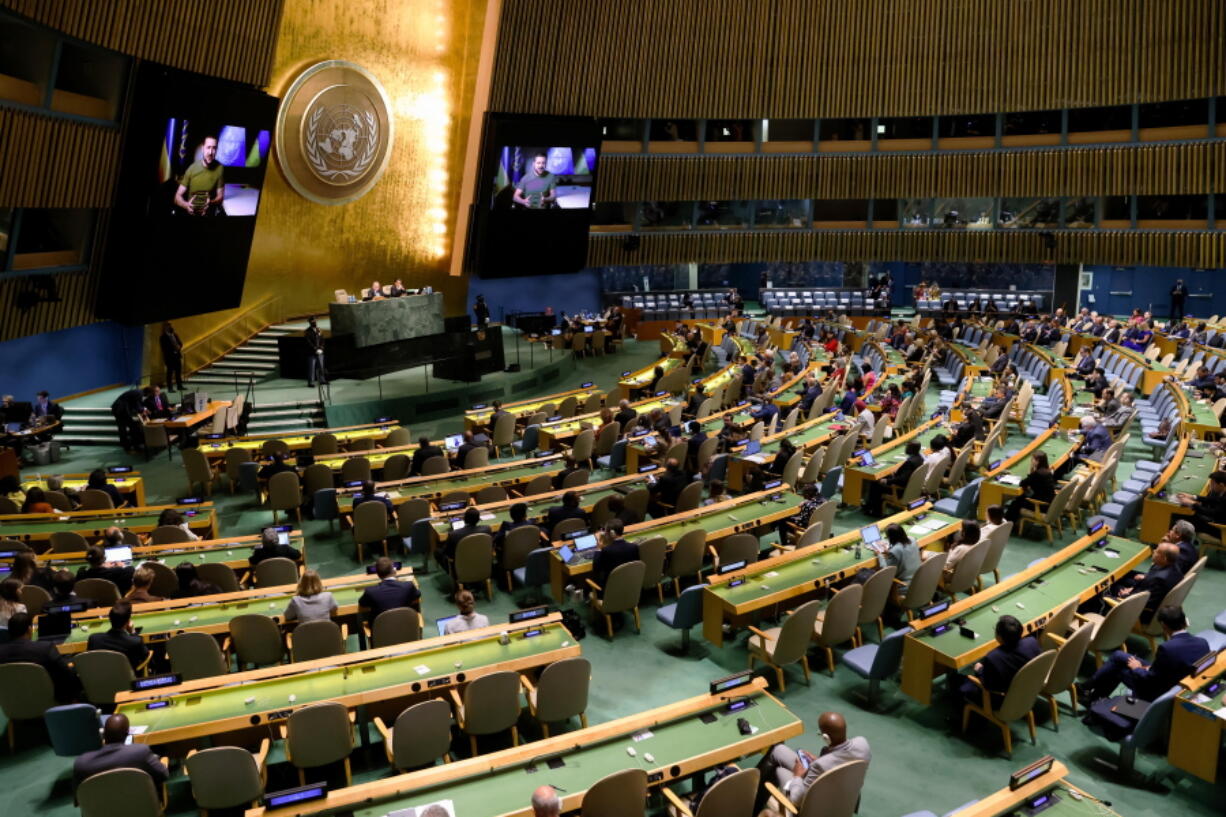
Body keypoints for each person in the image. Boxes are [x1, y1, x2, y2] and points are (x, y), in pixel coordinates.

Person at [1080, 606, 1209, 703]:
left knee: (1118, 669)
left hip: (1157, 691)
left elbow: (1150, 679)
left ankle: (1092, 696)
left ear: (1163, 625)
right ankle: (1089, 689)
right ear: (1184, 622)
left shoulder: (1167, 648)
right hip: (1172, 680)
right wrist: (1149, 669)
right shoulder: (1202, 642)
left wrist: (1136, 668)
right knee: (1119, 655)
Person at [755, 712, 871, 810]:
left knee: (778, 770)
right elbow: (840, 761)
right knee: (778, 750)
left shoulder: (820, 765)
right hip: (840, 791)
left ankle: (752, 803)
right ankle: (753, 797)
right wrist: (820, 759)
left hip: (818, 804)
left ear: (826, 737)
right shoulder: (863, 744)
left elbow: (797, 800)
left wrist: (797, 777)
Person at [73, 713, 168, 791]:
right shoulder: (140, 752)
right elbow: (163, 775)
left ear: (103, 734)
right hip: (140, 807)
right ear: (127, 734)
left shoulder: (81, 763)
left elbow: (79, 799)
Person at [0, 613, 80, 702]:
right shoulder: (46, 648)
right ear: (29, 629)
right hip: (49, 703)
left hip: (13, 705)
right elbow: (67, 674)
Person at [959, 615, 1040, 702]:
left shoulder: (993, 658)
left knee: (958, 681)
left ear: (999, 637)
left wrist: (979, 670)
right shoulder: (1032, 642)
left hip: (1004, 700)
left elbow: (988, 685)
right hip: (1029, 689)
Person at [1111, 542, 1183, 625]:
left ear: (1165, 558)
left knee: (1109, 588)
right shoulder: (1174, 567)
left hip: (1141, 612)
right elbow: (1148, 587)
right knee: (1121, 580)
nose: (1154, 551)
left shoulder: (1160, 579)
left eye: (1157, 551)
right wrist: (1132, 589)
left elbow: (1146, 602)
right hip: (1141, 593)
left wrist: (1126, 596)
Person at [863, 442, 922, 517]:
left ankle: (876, 511)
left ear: (911, 449)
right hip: (910, 486)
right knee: (885, 477)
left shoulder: (909, 462)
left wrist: (887, 481)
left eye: (907, 447)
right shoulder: (920, 458)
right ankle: (869, 505)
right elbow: (905, 475)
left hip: (899, 490)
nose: (906, 448)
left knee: (875, 484)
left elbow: (901, 479)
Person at [86, 600, 149, 671]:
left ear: (110, 619)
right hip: (125, 680)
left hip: (98, 679)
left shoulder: (94, 639)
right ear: (128, 622)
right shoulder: (135, 641)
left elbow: (89, 661)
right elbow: (146, 655)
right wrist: (133, 632)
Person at [174, 134, 225, 216]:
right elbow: (177, 197)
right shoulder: (192, 168)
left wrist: (211, 203)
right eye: (208, 147)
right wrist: (186, 205)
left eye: (214, 148)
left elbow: (220, 197)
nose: (211, 152)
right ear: (202, 149)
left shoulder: (220, 168)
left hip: (208, 215)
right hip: (191, 214)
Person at [1005, 451, 1055, 523]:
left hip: (1042, 505)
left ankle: (1008, 523)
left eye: (1033, 459)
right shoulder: (1047, 471)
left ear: (1038, 461)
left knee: (1016, 502)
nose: (1031, 461)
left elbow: (1023, 483)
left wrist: (1031, 470)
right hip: (1049, 502)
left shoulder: (1037, 473)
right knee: (1021, 497)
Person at [1174, 470, 1226, 538]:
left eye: (1213, 484)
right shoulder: (1223, 492)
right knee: (1191, 516)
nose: (1211, 486)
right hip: (1217, 522)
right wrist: (1192, 497)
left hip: (1220, 530)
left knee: (1182, 520)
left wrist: (1193, 504)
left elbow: (1213, 513)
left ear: (1221, 485)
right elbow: (1213, 500)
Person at [439, 507, 492, 574]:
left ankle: (453, 575)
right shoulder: (487, 529)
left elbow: (446, 552)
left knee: (438, 552)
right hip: (481, 562)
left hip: (461, 568)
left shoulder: (453, 534)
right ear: (478, 519)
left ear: (464, 519)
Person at [591, 519, 639, 592]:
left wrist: (598, 549)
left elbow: (596, 568)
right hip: (630, 586)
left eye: (606, 531)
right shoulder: (634, 547)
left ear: (612, 533)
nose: (605, 533)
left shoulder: (606, 551)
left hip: (611, 589)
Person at [874, 523, 920, 590]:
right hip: (919, 580)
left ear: (891, 538)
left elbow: (886, 571)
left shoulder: (895, 550)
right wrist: (889, 552)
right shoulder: (913, 540)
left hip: (904, 586)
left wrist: (879, 554)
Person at [159, 322, 184, 391]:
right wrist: (173, 349)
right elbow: (164, 348)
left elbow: (180, 343)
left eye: (170, 326)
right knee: (170, 373)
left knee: (178, 372)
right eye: (168, 326)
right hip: (169, 357)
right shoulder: (163, 337)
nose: (170, 328)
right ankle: (170, 388)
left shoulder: (175, 335)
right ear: (165, 328)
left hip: (177, 356)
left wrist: (179, 347)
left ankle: (180, 386)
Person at [305, 317, 327, 388]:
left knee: (321, 366)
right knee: (312, 368)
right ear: (310, 323)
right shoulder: (307, 331)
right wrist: (315, 349)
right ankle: (311, 382)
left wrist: (321, 348)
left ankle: (322, 380)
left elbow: (322, 339)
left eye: (315, 321)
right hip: (312, 353)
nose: (314, 322)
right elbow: (308, 342)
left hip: (320, 352)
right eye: (313, 322)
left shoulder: (318, 330)